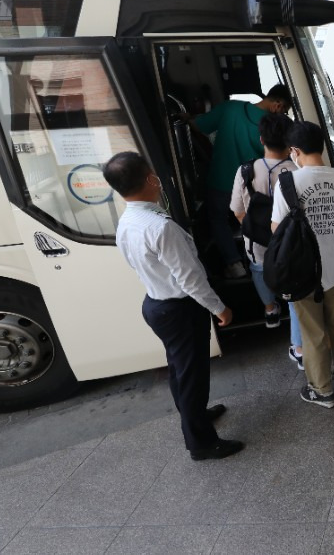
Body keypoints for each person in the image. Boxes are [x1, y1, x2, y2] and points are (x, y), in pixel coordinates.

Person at [104, 152, 243, 461]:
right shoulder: (160, 227)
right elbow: (190, 279)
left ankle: (195, 415)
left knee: (180, 371)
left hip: (156, 305)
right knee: (193, 377)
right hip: (179, 309)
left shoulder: (127, 221)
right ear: (150, 179)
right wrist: (219, 308)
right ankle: (201, 443)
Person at [271, 121, 334, 408]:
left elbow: (276, 229)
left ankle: (322, 390)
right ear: (321, 146)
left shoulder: (287, 183)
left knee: (313, 333)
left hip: (303, 272)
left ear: (295, 151)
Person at [193, 85, 293, 279]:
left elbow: (200, 126)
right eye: (284, 110)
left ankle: (234, 263)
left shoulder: (229, 108)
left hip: (220, 180)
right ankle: (264, 260)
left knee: (218, 219)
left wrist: (188, 118)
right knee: (255, 220)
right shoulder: (271, 126)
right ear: (278, 105)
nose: (283, 114)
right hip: (251, 186)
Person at [229, 114, 305, 359]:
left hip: (257, 243)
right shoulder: (297, 170)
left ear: (261, 139)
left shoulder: (245, 170)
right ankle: (298, 348)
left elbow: (237, 211)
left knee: (259, 270)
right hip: (290, 243)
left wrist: (256, 229)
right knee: (294, 292)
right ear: (290, 141)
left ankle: (271, 309)